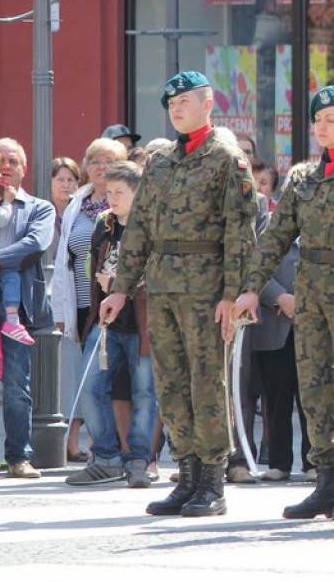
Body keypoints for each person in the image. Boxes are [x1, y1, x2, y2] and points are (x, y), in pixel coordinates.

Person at [233, 85, 334, 521]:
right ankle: (323, 481)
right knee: (314, 390)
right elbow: (275, 236)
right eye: (318, 120)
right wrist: (253, 286)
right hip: (310, 294)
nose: (323, 126)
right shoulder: (302, 177)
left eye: (332, 119)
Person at [100, 70, 258, 518]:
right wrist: (123, 289)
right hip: (164, 285)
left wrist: (233, 293)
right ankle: (186, 475)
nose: (176, 109)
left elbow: (239, 233)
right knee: (171, 383)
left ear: (208, 103)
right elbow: (141, 227)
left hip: (207, 287)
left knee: (207, 382)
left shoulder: (228, 158)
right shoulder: (163, 159)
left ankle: (212, 480)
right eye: (171, 104)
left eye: (184, 101)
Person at [65, 161, 158, 488]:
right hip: (106, 324)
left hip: (143, 324)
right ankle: (105, 458)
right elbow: (92, 269)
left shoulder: (152, 227)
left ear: (138, 193)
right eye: (109, 192)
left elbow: (162, 276)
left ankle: (137, 460)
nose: (112, 198)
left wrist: (124, 283)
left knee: (145, 394)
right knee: (90, 389)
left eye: (120, 192)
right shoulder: (104, 225)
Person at [0, 138, 56, 478]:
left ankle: (18, 457)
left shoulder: (39, 207)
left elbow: (35, 244)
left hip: (15, 305)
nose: (7, 166)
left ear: (25, 169)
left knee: (16, 384)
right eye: (1, 160)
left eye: (14, 161)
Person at [52, 137, 128, 462]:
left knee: (113, 382)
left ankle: (122, 451)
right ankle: (105, 449)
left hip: (116, 306)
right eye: (96, 161)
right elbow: (62, 260)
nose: (101, 167)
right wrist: (60, 308)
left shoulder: (122, 206)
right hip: (83, 305)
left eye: (109, 161)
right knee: (91, 382)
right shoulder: (77, 205)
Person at [249, 241, 312, 483]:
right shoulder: (271, 231)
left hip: (312, 327)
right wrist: (278, 297)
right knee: (276, 398)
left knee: (311, 398)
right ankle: (279, 462)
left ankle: (313, 463)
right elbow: (254, 268)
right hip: (275, 329)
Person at [0, 150, 29, 344]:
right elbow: (1, 220)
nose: (0, 175)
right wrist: (8, 201)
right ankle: (12, 319)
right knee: (10, 273)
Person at [50, 157, 81, 259]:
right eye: (60, 180)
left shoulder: (82, 212)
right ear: (50, 181)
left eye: (70, 180)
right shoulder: (42, 212)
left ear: (77, 184)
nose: (66, 185)